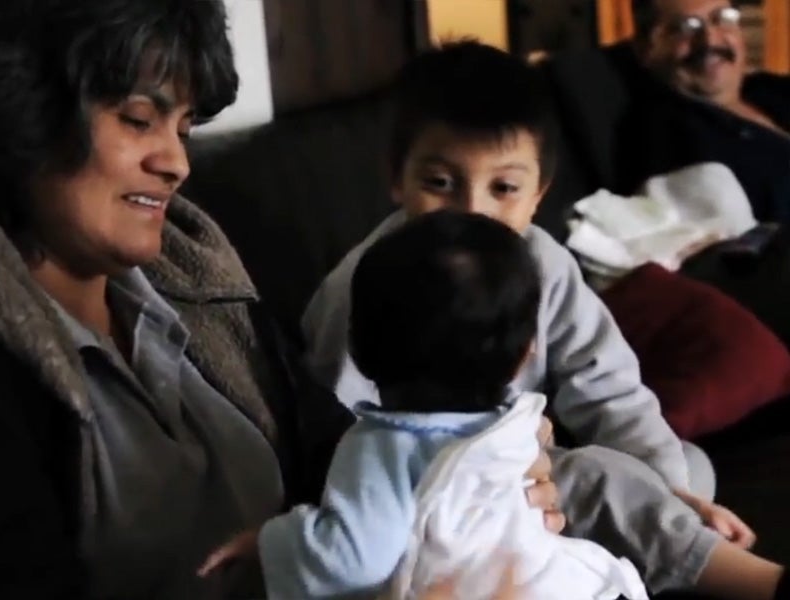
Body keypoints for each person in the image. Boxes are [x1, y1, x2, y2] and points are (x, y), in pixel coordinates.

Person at [0, 2, 560, 598]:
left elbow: (345, 449)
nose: (177, 163)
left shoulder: (200, 282)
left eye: (184, 130)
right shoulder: (9, 366)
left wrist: (473, 474)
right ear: (27, 114)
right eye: (138, 120)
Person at [300, 40, 790, 599]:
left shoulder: (545, 266)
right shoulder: (369, 278)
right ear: (397, 178)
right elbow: (336, 424)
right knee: (606, 483)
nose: (473, 212)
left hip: (526, 469)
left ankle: (645, 542)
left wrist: (671, 492)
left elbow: (609, 390)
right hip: (411, 493)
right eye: (440, 184)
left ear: (539, 194)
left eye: (503, 188)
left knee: (683, 470)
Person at [199, 210, 647, 600]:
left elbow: (357, 558)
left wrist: (270, 541)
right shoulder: (519, 422)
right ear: (526, 353)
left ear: (356, 347)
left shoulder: (382, 446)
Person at [619, 0, 790, 221]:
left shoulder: (768, 90)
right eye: (684, 28)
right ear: (645, 50)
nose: (709, 40)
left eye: (721, 18)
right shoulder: (669, 136)